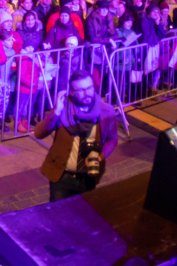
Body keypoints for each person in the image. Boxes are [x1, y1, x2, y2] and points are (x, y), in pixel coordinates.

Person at [34, 69, 119, 202]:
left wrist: (101, 156)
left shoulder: (106, 110)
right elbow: (39, 133)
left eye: (89, 88)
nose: (87, 94)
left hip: (88, 176)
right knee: (59, 217)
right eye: (80, 90)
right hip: (61, 177)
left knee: (84, 216)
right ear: (72, 93)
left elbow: (113, 139)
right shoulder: (64, 107)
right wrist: (56, 112)